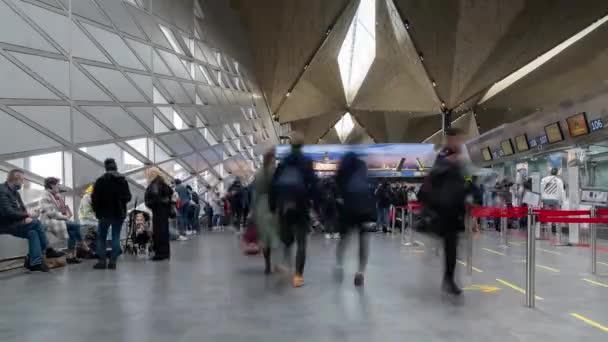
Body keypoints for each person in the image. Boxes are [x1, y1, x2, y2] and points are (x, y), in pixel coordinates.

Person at [420, 128, 467, 295]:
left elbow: (462, 184)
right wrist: (450, 162)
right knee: (449, 246)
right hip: (442, 210)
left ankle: (449, 280)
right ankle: (448, 280)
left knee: (451, 248)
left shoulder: (459, 160)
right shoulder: (442, 157)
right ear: (449, 139)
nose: (459, 142)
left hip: (454, 210)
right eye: (457, 139)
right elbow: (434, 175)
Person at [270, 132, 318, 288]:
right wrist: (314, 204)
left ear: (290, 145)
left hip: (285, 205)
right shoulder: (306, 162)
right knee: (302, 242)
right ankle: (298, 276)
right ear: (302, 145)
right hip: (301, 205)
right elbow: (313, 185)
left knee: (286, 240)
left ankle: (286, 265)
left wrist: (273, 206)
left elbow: (274, 186)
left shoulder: (283, 162)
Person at [0, 169, 63, 272]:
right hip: (5, 224)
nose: (23, 182)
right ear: (15, 178)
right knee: (36, 223)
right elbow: (7, 212)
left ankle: (34, 263)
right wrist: (28, 215)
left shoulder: (16, 193)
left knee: (32, 232)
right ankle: (48, 249)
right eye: (22, 180)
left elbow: (23, 210)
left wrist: (27, 217)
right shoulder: (1, 190)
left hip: (15, 222)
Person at [335, 152, 374, 286]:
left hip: (348, 208)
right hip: (364, 209)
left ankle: (339, 265)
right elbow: (369, 186)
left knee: (344, 239)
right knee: (363, 240)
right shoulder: (362, 165)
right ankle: (360, 272)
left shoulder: (343, 168)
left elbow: (338, 188)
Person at [91, 158, 132, 270]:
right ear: (115, 166)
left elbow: (94, 198)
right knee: (115, 236)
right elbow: (128, 197)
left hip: (104, 213)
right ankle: (113, 261)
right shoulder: (122, 180)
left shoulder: (100, 181)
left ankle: (102, 261)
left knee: (101, 237)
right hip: (119, 213)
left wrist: (97, 211)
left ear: (105, 167)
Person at [39, 177, 89, 264]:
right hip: (49, 221)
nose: (59, 186)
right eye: (57, 184)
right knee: (76, 225)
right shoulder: (45, 195)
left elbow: (62, 210)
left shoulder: (53, 195)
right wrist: (64, 217)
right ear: (52, 185)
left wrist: (59, 198)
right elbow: (50, 212)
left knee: (73, 230)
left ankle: (71, 256)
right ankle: (82, 244)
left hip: (55, 219)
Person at [252, 150, 280, 274]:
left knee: (265, 238)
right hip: (273, 204)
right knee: (274, 236)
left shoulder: (258, 173)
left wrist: (252, 210)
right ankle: (277, 264)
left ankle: (267, 264)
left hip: (260, 206)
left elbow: (254, 194)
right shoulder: (274, 173)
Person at [145, 167, 174, 261]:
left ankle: (160, 254)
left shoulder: (155, 184)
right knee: (164, 232)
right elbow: (170, 194)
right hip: (165, 211)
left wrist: (150, 203)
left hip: (158, 211)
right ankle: (165, 253)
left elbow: (155, 198)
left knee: (158, 232)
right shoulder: (163, 183)